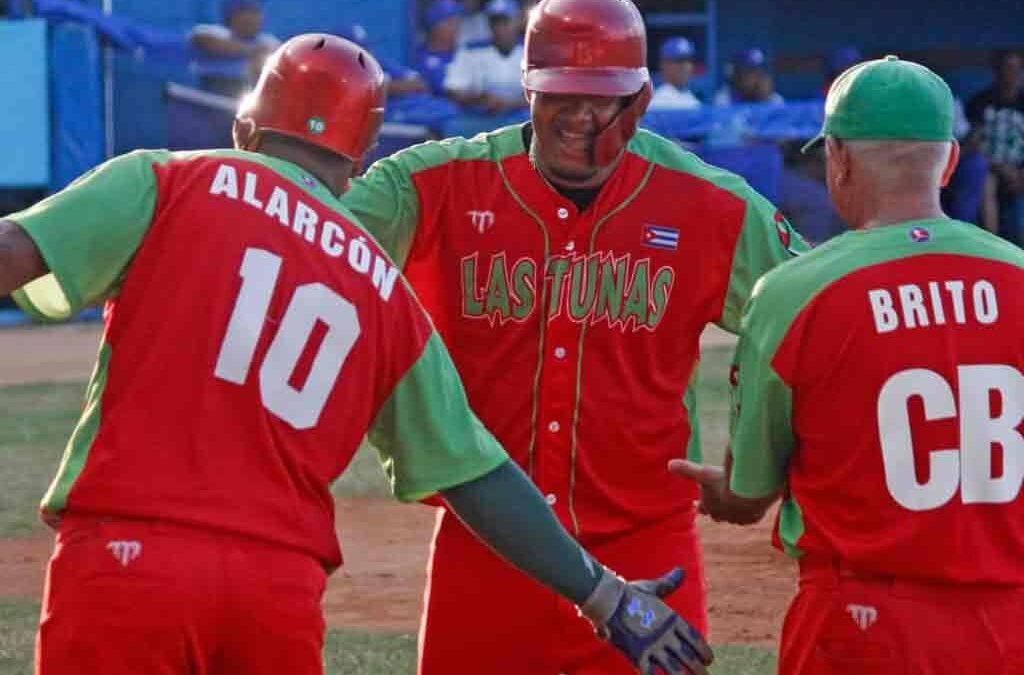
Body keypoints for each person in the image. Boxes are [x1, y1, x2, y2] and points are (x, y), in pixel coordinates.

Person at [0, 34, 712, 675]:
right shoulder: (384, 291)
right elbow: (480, 474)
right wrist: (603, 593)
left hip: (131, 559)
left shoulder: (166, 180)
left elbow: (14, 256)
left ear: (245, 128)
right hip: (278, 594)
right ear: (358, 159)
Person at [341, 1, 806, 673]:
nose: (579, 119)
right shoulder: (437, 183)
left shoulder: (709, 204)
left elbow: (820, 310)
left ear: (642, 99)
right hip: (487, 548)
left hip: (647, 544)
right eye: (559, 96)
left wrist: (761, 455)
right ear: (526, 87)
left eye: (603, 101)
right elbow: (301, 231)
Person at [672, 55, 1024, 675]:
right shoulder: (1017, 277)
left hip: (861, 624)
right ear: (948, 161)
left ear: (837, 159)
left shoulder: (792, 292)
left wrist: (720, 496)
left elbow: (750, 492)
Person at [967, 49, 1024, 244]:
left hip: (1019, 169)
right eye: (1006, 68)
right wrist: (1000, 167)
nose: (1011, 74)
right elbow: (973, 143)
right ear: (996, 71)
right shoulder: (980, 102)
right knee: (985, 177)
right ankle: (993, 244)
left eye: (1016, 69)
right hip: (991, 166)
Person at [443, 0, 527, 114]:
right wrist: (478, 98)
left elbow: (542, 96)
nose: (499, 28)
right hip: (481, 117)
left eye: (505, 22)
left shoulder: (531, 51)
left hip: (519, 116)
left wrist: (509, 104)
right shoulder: (471, 50)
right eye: (495, 23)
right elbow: (453, 89)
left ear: (517, 21)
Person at [188, 0, 279, 98]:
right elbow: (201, 39)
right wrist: (250, 50)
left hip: (248, 100)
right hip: (210, 96)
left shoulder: (269, 43)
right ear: (230, 16)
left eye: (254, 12)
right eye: (244, 11)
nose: (250, 18)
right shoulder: (211, 34)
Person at [416, 0, 463, 96]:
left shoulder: (464, 52)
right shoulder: (422, 59)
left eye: (457, 22)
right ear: (435, 28)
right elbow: (449, 90)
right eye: (450, 22)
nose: (456, 27)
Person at [713, 48, 784, 106]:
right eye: (751, 71)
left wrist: (764, 101)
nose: (757, 77)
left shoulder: (774, 99)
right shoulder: (725, 99)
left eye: (760, 71)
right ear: (737, 75)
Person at [650, 37, 702, 111]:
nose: (686, 67)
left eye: (689, 61)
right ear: (664, 65)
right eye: (680, 61)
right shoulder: (658, 100)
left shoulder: (691, 98)